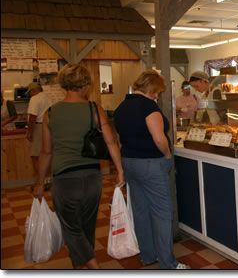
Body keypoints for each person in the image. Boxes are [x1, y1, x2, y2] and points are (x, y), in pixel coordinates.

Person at [33, 63, 125, 269]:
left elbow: (46, 152)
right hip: (92, 178)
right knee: (87, 227)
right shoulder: (94, 108)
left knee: (72, 229)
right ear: (86, 84)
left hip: (64, 180)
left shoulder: (51, 113)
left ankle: (93, 267)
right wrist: (119, 171)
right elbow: (111, 142)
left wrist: (40, 182)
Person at [114, 70, 189, 270]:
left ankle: (147, 255)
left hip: (129, 162)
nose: (158, 95)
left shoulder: (122, 107)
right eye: (157, 91)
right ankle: (168, 263)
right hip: (151, 164)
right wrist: (167, 155)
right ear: (152, 88)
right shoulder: (149, 107)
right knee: (162, 213)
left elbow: (120, 139)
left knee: (141, 211)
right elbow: (158, 138)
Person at [26, 83, 52, 186]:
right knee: (47, 154)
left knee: (35, 156)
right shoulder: (48, 98)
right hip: (48, 126)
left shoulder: (35, 99)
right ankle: (48, 180)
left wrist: (29, 132)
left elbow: (33, 116)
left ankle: (41, 182)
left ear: (33, 90)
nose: (30, 94)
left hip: (38, 127)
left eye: (30, 92)